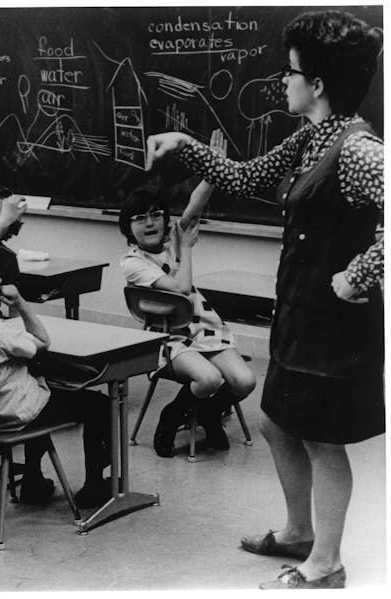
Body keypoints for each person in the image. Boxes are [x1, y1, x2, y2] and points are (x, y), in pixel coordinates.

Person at [145, 10, 383, 589]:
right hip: (300, 316)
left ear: (317, 83)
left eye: (290, 70)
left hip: (333, 327)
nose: (282, 79)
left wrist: (363, 271)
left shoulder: (358, 151)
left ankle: (325, 564)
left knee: (323, 440)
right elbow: (245, 175)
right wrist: (184, 143)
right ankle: (300, 532)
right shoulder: (313, 135)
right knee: (278, 423)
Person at [0, 247, 112, 508]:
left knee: (33, 386)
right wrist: (20, 304)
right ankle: (95, 485)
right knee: (96, 404)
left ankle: (33, 480)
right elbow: (42, 341)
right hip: (17, 413)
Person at [119, 165, 256, 457]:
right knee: (209, 379)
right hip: (167, 339)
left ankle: (207, 413)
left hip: (205, 328)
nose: (150, 222)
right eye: (139, 218)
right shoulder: (132, 262)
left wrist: (213, 170)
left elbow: (195, 204)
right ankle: (171, 416)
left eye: (156, 214)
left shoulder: (173, 239)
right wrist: (188, 249)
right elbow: (180, 289)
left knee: (245, 381)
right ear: (127, 228)